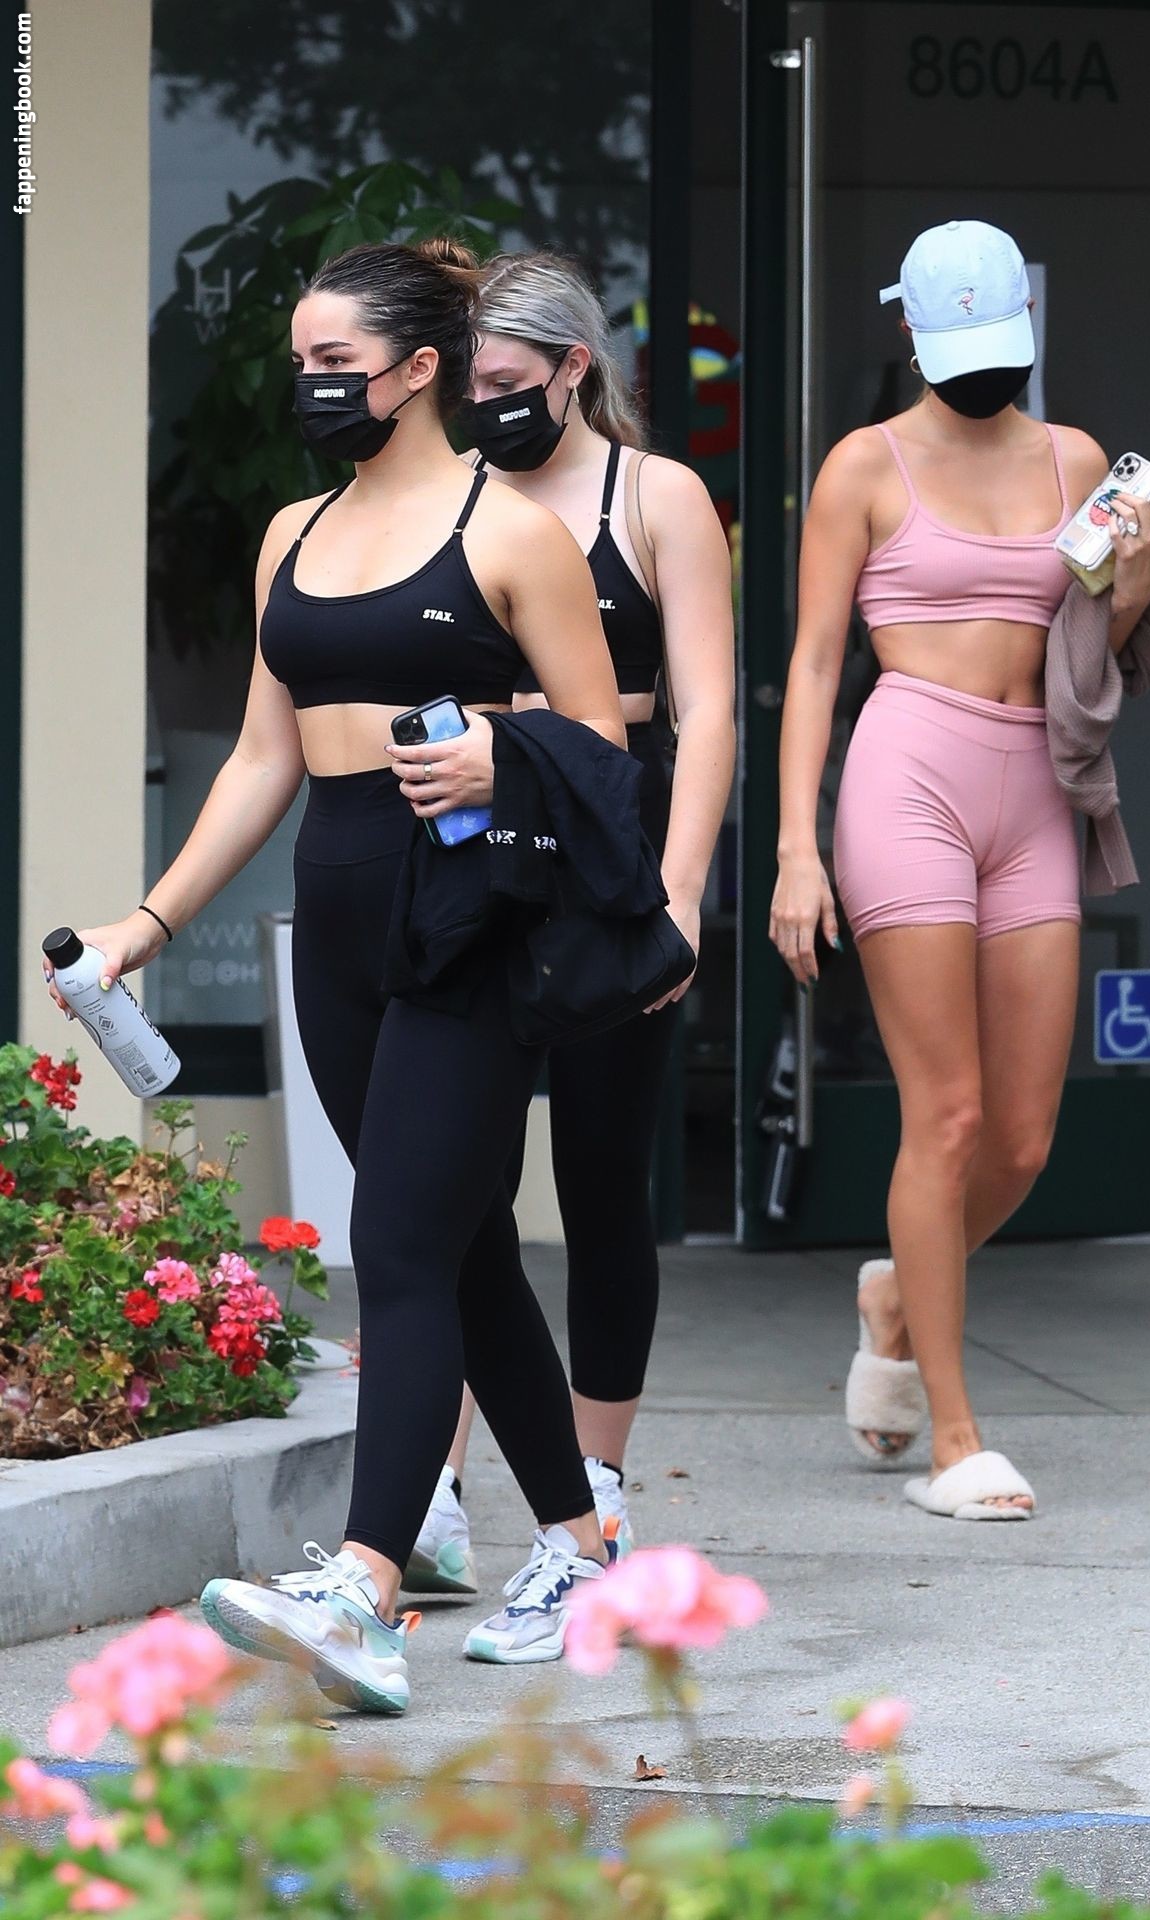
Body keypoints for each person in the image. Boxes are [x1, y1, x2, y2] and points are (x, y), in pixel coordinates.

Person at [45, 238, 638, 1707]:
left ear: (418, 370)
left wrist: (502, 755)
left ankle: (366, 1587)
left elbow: (604, 752)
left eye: (334, 363)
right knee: (462, 1243)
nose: (309, 385)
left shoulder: (514, 534)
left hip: (471, 911)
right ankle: (581, 1546)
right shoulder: (291, 534)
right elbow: (264, 757)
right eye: (300, 362)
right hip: (340, 908)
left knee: (397, 1244)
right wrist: (147, 926)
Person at [769, 220, 1150, 1521]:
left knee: (1023, 1136)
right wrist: (794, 849)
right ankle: (953, 1438)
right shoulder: (863, 465)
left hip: (1035, 785)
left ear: (1025, 328)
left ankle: (897, 1294)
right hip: (910, 777)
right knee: (942, 1116)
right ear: (910, 335)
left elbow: (1098, 644)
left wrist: (1136, 583)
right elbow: (815, 667)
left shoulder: (1074, 459)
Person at [403, 251, 735, 1599]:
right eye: (468, 382)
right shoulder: (451, 494)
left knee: (600, 1171)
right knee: (454, 1182)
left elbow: (707, 710)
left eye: (504, 380)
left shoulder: (654, 496)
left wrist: (680, 890)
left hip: (608, 834)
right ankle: (431, 1484)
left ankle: (594, 1489)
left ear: (571, 368)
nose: (483, 404)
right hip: (475, 835)